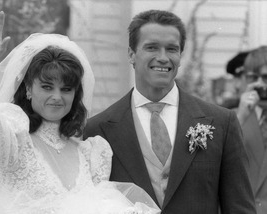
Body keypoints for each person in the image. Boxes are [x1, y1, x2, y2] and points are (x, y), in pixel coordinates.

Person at [0, 8, 160, 214]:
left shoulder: (90, 154)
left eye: (66, 89)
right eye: (47, 87)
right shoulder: (14, 140)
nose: (57, 97)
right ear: (29, 89)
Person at [84, 9, 256, 214]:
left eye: (172, 49)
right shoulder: (97, 130)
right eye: (152, 47)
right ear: (131, 54)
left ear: (180, 56)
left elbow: (240, 208)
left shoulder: (221, 123)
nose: (163, 58)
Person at [235, 46, 267, 214]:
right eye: (253, 78)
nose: (260, 84)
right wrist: (240, 116)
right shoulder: (232, 117)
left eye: (266, 78)